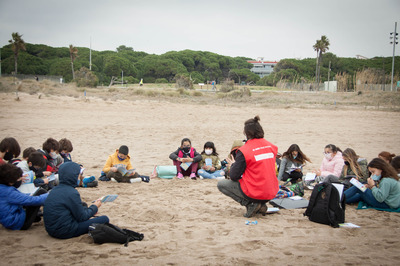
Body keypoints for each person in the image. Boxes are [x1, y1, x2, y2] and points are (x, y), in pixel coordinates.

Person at [217, 116, 279, 218]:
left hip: (255, 191)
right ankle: (260, 205)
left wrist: (233, 166)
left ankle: (250, 204)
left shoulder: (245, 150)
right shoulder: (271, 147)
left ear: (246, 133)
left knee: (221, 184)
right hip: (272, 191)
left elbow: (233, 176)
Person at [43, 162, 109, 239]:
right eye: (78, 175)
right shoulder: (71, 192)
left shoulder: (55, 190)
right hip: (64, 231)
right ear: (73, 177)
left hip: (51, 229)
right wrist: (95, 207)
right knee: (104, 219)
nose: (80, 178)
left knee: (83, 205)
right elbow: (82, 217)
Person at [0, 163, 48, 230]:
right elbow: (31, 201)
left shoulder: (3, 188)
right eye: (19, 179)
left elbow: (20, 197)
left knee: (38, 195)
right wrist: (50, 195)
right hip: (18, 223)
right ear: (11, 182)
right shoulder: (8, 192)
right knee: (41, 192)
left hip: (10, 220)